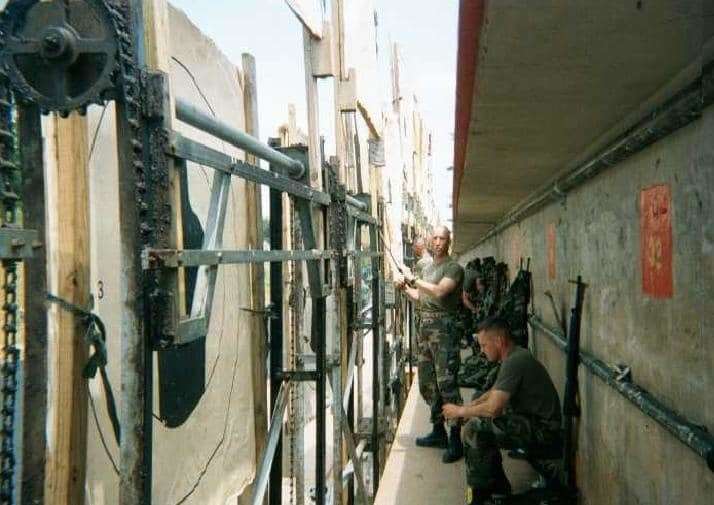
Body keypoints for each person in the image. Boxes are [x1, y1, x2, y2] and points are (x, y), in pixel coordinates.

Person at [443, 317, 562, 504]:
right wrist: (469, 408)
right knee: (476, 408)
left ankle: (482, 493)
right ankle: (496, 486)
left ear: (499, 341)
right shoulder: (515, 356)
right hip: (535, 423)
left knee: (475, 428)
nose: (481, 351)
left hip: (545, 433)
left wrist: (460, 412)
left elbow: (494, 409)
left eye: (484, 345)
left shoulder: (515, 361)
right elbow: (492, 393)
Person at [396, 225, 465, 463]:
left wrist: (413, 279)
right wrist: (405, 288)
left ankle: (455, 438)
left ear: (448, 241)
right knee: (427, 381)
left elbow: (438, 292)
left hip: (443, 330)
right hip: (424, 329)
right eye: (434, 238)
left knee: (446, 382)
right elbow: (421, 298)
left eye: (442, 238)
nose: (437, 242)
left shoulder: (453, 268)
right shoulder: (426, 267)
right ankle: (438, 431)